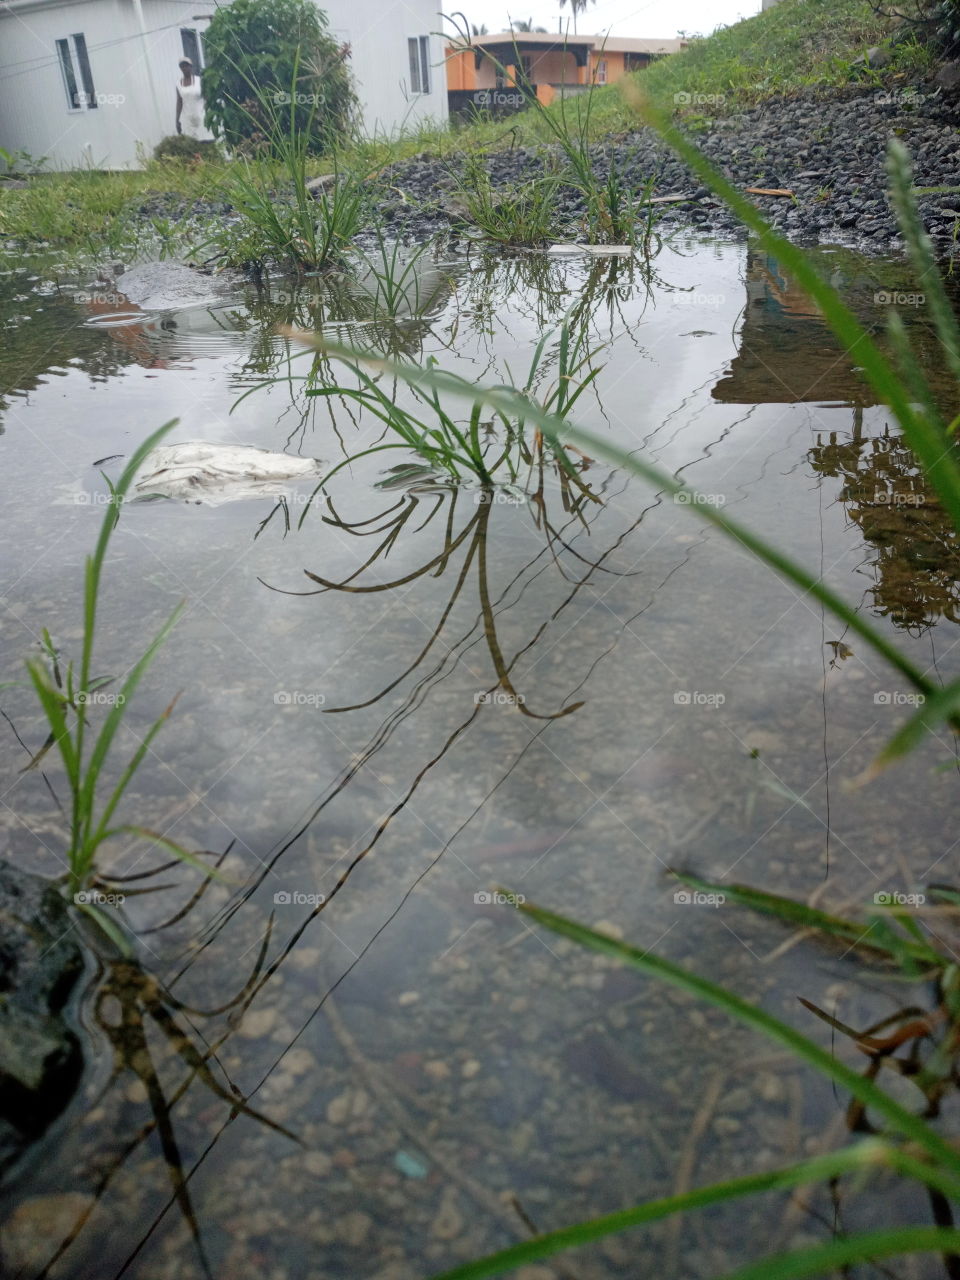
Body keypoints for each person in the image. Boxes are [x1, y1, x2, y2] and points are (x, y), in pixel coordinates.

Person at [175, 58, 213, 141]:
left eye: (186, 65)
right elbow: (179, 102)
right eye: (182, 66)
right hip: (188, 118)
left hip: (201, 116)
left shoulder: (199, 81)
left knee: (205, 140)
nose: (184, 68)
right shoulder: (178, 84)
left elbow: (207, 97)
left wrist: (210, 114)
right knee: (192, 143)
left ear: (191, 66)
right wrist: (177, 120)